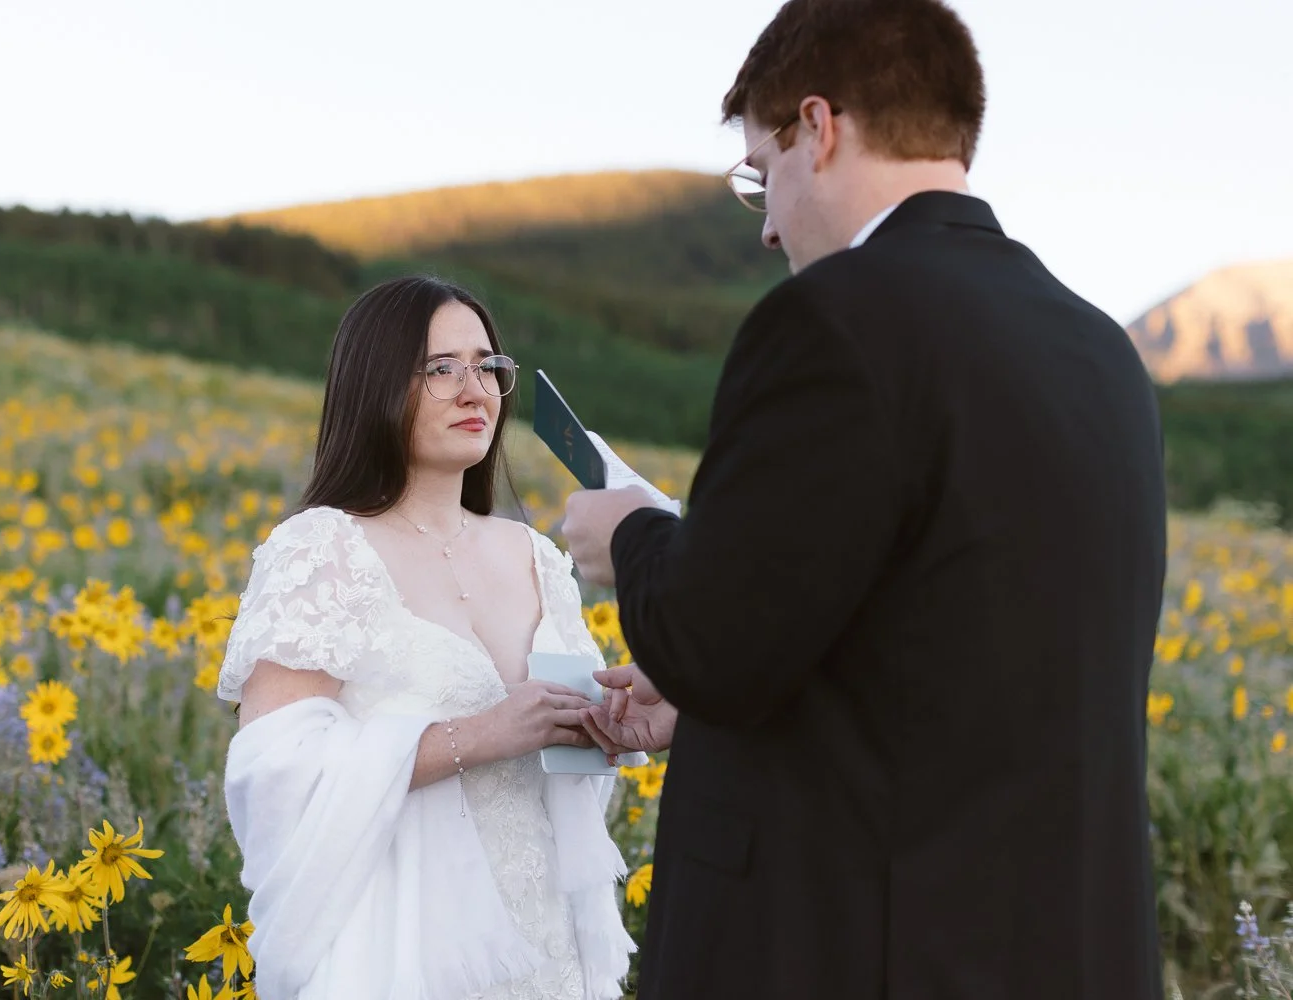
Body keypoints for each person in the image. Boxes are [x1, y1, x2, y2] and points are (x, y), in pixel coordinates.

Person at [561, 1, 1168, 997]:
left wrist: (632, 535)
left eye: (761, 171)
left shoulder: (836, 319)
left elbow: (712, 636)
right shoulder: (1101, 351)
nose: (763, 223)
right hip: (1057, 951)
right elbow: (956, 652)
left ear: (821, 127)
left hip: (855, 951)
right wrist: (705, 704)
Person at [218, 275, 640, 1000]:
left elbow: (567, 771)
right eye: (440, 369)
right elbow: (274, 775)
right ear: (376, 385)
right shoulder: (323, 548)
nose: (473, 390)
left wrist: (603, 724)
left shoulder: (533, 554)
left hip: (548, 951)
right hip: (401, 956)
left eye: (487, 367)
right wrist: (479, 734)